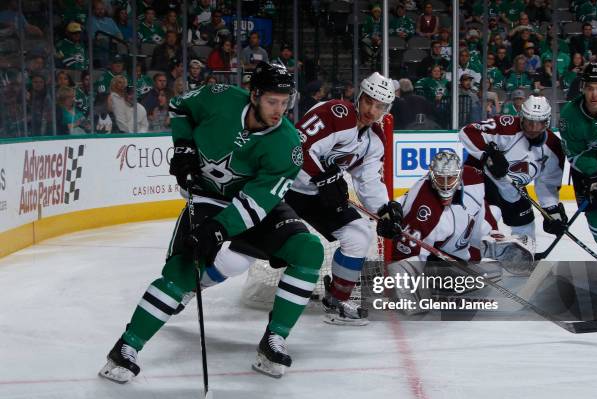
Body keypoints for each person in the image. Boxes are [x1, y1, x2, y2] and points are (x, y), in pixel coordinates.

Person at [99, 62, 324, 382]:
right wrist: (184, 146)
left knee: (308, 250)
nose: (280, 110)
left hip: (253, 204)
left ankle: (274, 339)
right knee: (181, 269)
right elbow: (180, 107)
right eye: (273, 101)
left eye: (285, 102)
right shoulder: (219, 97)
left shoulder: (287, 145)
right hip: (207, 196)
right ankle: (126, 347)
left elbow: (256, 203)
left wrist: (218, 229)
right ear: (254, 94)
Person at [284, 72, 403, 325]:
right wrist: (324, 179)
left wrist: (384, 209)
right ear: (359, 96)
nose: (372, 110)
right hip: (284, 187)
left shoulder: (374, 140)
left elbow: (368, 179)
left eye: (380, 106)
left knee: (359, 235)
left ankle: (336, 300)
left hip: (317, 196)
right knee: (249, 248)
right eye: (369, 101)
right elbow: (296, 147)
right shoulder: (335, 113)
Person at [387, 151, 534, 310]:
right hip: (425, 245)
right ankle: (436, 279)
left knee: (487, 255)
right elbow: (404, 256)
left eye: (449, 178)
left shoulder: (472, 176)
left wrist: (491, 231)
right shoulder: (423, 210)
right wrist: (412, 299)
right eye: (440, 178)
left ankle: (483, 245)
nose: (444, 185)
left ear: (459, 176)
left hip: (451, 234)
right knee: (483, 275)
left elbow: (481, 206)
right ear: (432, 175)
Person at [458, 95, 566, 250]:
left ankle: (521, 264)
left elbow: (547, 184)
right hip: (483, 179)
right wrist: (489, 155)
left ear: (547, 122)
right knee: (488, 218)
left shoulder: (553, 147)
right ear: (522, 118)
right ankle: (466, 251)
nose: (533, 129)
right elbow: (467, 132)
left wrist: (552, 211)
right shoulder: (506, 125)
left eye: (539, 123)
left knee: (526, 228)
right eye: (529, 122)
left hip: (512, 188)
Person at [559, 63, 597, 266]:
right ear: (583, 87)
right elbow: (574, 153)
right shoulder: (569, 115)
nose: (594, 94)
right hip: (585, 168)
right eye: (590, 88)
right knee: (594, 208)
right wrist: (594, 177)